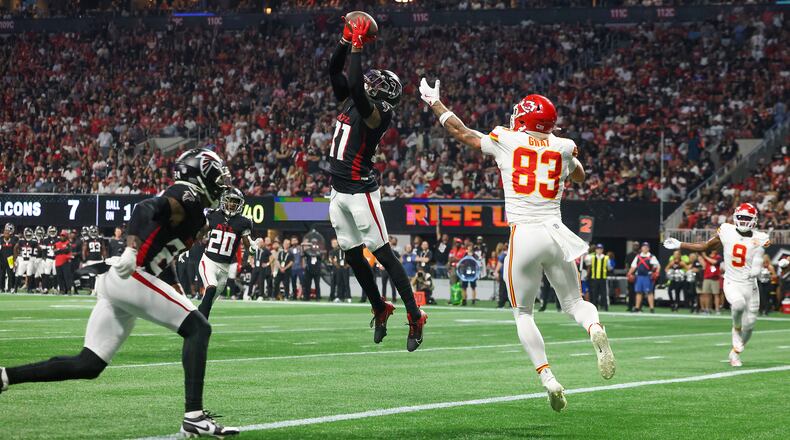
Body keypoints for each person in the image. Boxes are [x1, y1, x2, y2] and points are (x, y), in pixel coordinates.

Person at [0, 148, 239, 437]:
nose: (221, 184)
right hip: (130, 274)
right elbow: (143, 209)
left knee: (89, 364)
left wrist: (174, 285)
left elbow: (164, 254)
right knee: (199, 328)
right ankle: (194, 417)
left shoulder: (197, 213)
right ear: (199, 176)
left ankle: (5, 376)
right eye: (216, 177)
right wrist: (131, 249)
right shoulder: (185, 196)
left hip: (123, 279)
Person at [420, 82, 614, 412]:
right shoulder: (564, 146)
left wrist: (435, 103)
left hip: (524, 234)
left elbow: (462, 132)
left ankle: (548, 378)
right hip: (556, 233)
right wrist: (567, 154)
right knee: (575, 303)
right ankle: (594, 327)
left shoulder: (507, 139)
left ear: (524, 119)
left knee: (523, 313)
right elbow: (580, 176)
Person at [326, 16, 426, 351]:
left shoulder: (379, 113)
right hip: (338, 190)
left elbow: (356, 85)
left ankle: (415, 315)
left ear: (384, 93)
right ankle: (380, 306)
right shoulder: (354, 100)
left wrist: (357, 47)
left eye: (376, 82)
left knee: (383, 254)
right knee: (353, 255)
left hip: (360, 191)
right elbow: (334, 71)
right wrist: (344, 41)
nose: (370, 81)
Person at [664, 203, 770, 368]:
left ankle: (735, 353)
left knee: (749, 325)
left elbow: (761, 256)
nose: (743, 221)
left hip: (751, 285)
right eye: (741, 217)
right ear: (735, 217)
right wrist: (680, 244)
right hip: (732, 281)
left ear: (754, 220)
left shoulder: (761, 237)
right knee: (738, 304)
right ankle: (736, 328)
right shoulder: (727, 230)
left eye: (747, 218)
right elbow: (705, 246)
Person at [197, 187, 255, 318]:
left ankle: (195, 319)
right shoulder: (213, 215)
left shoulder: (243, 222)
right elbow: (200, 233)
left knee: (208, 302)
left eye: (236, 201)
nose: (232, 204)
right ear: (224, 201)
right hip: (209, 262)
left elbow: (247, 243)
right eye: (230, 200)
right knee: (211, 287)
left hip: (225, 268)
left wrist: (252, 248)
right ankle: (201, 325)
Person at [626, 242, 660, 313]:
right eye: (644, 247)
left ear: (648, 248)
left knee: (649, 292)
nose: (645, 248)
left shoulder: (651, 256)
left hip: (648, 276)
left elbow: (658, 266)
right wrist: (629, 273)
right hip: (639, 276)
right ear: (641, 248)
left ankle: (651, 308)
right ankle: (637, 307)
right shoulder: (638, 256)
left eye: (646, 247)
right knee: (638, 292)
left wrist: (657, 272)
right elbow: (633, 266)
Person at [584, 244, 609, 311]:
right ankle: (595, 306)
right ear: (595, 250)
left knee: (604, 293)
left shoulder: (606, 258)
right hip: (594, 278)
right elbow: (586, 261)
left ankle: (605, 307)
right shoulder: (592, 257)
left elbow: (609, 267)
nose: (599, 250)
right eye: (598, 249)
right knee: (595, 293)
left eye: (600, 249)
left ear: (602, 250)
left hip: (602, 278)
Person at [82, 226, 106, 294]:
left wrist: (105, 258)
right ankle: (93, 290)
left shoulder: (99, 239)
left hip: (97, 260)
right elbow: (84, 250)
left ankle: (97, 290)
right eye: (92, 231)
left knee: (99, 276)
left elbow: (103, 249)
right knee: (92, 276)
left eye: (94, 231)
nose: (93, 233)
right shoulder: (88, 240)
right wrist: (84, 260)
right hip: (92, 260)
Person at [699, 249, 723, 315]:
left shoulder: (718, 257)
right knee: (706, 294)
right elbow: (704, 265)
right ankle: (707, 309)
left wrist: (705, 257)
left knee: (716, 294)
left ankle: (717, 309)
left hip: (715, 278)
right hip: (707, 277)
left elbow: (715, 262)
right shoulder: (707, 257)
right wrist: (701, 258)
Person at [250, 236, 272, 301]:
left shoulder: (265, 250)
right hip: (255, 267)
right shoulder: (254, 249)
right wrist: (252, 263)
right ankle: (249, 295)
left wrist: (267, 264)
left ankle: (261, 295)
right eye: (259, 242)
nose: (260, 243)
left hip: (261, 268)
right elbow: (250, 256)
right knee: (252, 281)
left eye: (261, 242)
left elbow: (272, 258)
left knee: (261, 282)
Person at [15, 228, 35, 293]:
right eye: (27, 235)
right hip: (22, 259)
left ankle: (29, 289)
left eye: (29, 235)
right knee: (19, 274)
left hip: (30, 260)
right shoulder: (21, 241)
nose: (28, 236)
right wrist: (16, 256)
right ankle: (15, 288)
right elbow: (15, 248)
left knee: (29, 275)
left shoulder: (34, 242)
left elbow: (39, 249)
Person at [380, 236, 400, 302]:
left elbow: (399, 260)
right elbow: (379, 259)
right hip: (384, 270)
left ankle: (394, 298)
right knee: (384, 285)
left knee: (392, 285)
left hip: (391, 270)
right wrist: (380, 265)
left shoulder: (394, 252)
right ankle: (383, 298)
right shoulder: (382, 252)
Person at [1, 223, 18, 293]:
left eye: (7, 233)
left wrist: (14, 260)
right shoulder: (1, 239)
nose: (6, 234)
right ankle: (1, 288)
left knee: (10, 274)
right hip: (2, 259)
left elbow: (15, 250)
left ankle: (10, 288)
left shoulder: (14, 239)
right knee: (2, 274)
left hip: (10, 259)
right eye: (5, 232)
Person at [624, 241, 640, 311]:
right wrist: (628, 273)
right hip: (631, 275)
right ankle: (630, 306)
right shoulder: (629, 255)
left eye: (637, 245)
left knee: (639, 292)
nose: (635, 246)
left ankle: (638, 307)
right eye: (634, 245)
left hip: (638, 276)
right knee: (631, 291)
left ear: (638, 246)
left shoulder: (640, 255)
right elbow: (626, 265)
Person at [494, 243, 509, 308]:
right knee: (510, 290)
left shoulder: (503, 255)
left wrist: (496, 271)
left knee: (502, 290)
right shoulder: (512, 254)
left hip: (504, 274)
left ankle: (501, 304)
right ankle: (511, 304)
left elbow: (499, 264)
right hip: (510, 275)